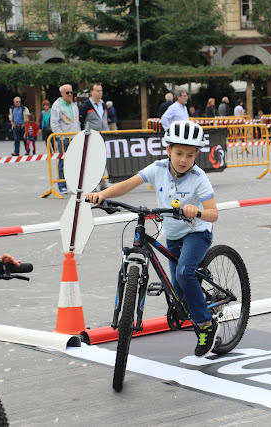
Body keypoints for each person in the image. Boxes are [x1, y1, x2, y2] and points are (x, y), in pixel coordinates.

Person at [86, 120, 220, 357]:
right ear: (168, 150)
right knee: (178, 291)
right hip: (173, 234)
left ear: (197, 154)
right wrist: (101, 195)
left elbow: (213, 213)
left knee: (183, 273)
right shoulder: (157, 169)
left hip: (197, 232)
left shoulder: (199, 178)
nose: (183, 160)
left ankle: (206, 325)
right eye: (178, 153)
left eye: (190, 155)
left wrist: (196, 211)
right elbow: (127, 185)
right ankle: (191, 301)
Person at [50, 84, 81, 194]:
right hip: (64, 138)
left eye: (71, 92)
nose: (70, 94)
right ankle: (62, 185)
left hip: (75, 137)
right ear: (62, 93)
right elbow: (54, 123)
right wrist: (61, 136)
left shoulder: (74, 105)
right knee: (63, 162)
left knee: (77, 162)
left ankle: (75, 184)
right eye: (67, 92)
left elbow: (77, 121)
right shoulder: (57, 106)